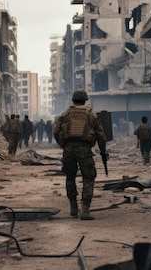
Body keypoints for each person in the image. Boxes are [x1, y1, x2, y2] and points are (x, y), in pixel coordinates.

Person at [54, 89, 107, 220]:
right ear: (85, 100)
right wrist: (102, 151)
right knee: (88, 177)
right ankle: (85, 209)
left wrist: (64, 145)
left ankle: (73, 207)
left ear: (73, 100)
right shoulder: (91, 114)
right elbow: (101, 135)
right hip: (84, 148)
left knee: (70, 177)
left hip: (69, 149)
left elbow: (56, 131)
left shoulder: (65, 114)